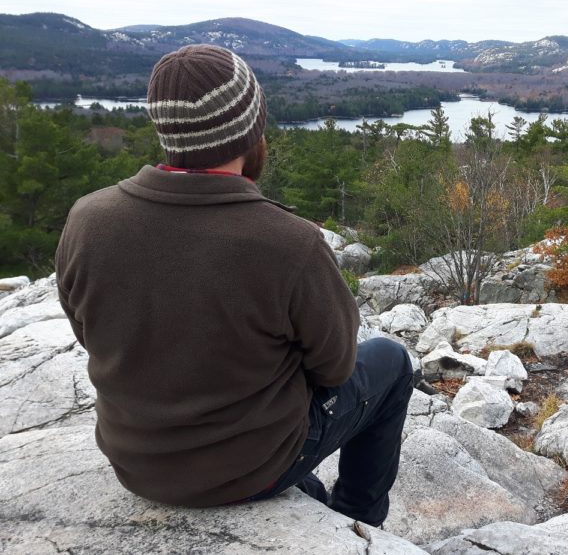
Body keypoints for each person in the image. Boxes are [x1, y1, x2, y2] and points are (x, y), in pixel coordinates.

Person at [55, 44, 413, 526]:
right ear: (252, 129)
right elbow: (335, 366)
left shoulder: (87, 219)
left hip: (135, 465)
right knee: (390, 360)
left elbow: (90, 333)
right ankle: (357, 520)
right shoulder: (289, 242)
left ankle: (305, 492)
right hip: (248, 472)